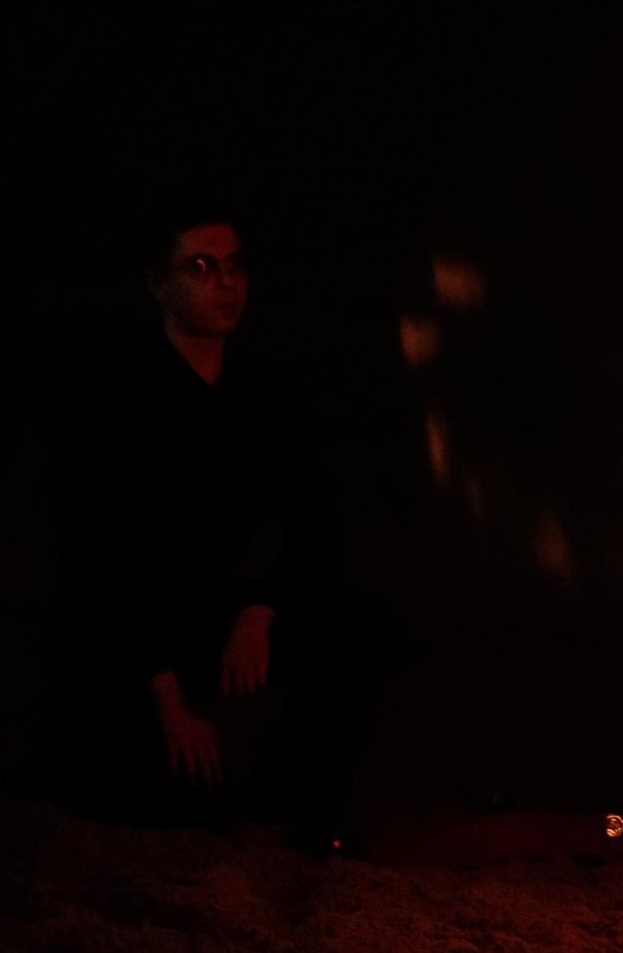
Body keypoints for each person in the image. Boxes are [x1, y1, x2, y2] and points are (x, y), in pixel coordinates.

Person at [44, 209, 390, 852]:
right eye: (201, 268)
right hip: (129, 637)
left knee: (361, 621)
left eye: (234, 266)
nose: (225, 283)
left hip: (216, 614)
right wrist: (168, 699)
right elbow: (93, 557)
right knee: (163, 803)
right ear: (158, 285)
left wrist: (259, 614)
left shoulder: (265, 395)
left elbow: (317, 527)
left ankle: (288, 798)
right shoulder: (112, 396)